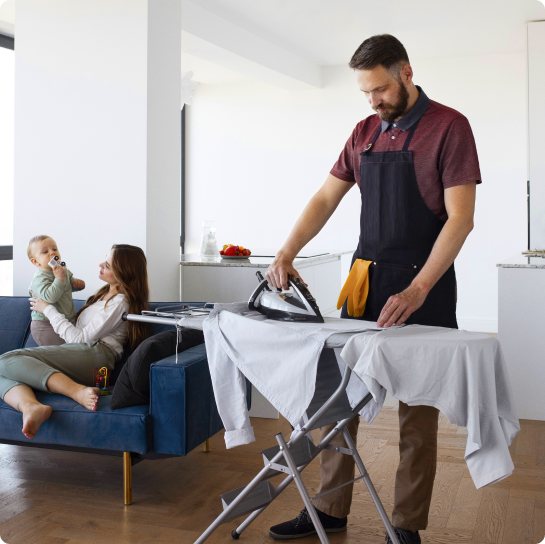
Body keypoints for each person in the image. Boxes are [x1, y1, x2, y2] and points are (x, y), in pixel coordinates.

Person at [266, 34, 480, 544]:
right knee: (336, 402)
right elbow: (325, 198)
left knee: (416, 415)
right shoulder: (363, 131)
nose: (374, 101)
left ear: (406, 72)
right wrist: (285, 251)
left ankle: (405, 527)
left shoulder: (450, 127)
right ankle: (330, 509)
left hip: (423, 285)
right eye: (365, 93)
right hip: (364, 282)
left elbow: (461, 220)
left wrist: (418, 289)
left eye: (381, 89)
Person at [0, 244, 149, 440]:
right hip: (82, 353)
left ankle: (76, 391)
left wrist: (48, 309)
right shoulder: (103, 295)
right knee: (3, 368)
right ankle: (31, 407)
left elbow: (79, 338)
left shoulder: (120, 302)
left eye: (107, 264)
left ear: (123, 272)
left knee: (6, 361)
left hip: (97, 355)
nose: (100, 265)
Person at [27, 234, 86, 346]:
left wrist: (76, 283)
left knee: (70, 349)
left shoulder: (62, 270)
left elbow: (67, 285)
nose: (52, 252)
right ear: (35, 262)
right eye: (45, 252)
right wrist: (60, 278)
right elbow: (50, 297)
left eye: (54, 249)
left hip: (66, 319)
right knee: (57, 352)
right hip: (45, 324)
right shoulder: (39, 279)